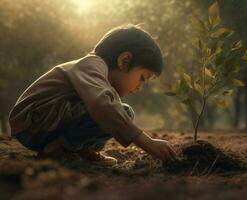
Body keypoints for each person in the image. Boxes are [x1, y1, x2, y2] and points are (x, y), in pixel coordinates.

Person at [8, 24, 176, 166]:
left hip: (44, 123)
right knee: (114, 110)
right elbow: (101, 105)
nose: (140, 87)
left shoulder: (97, 74)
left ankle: (72, 149)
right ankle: (61, 149)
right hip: (33, 123)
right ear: (124, 61)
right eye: (142, 78)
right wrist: (146, 142)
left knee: (122, 111)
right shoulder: (91, 65)